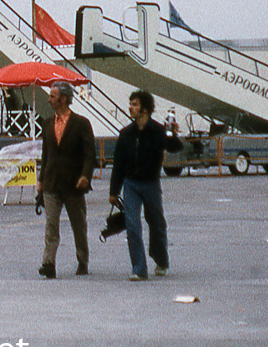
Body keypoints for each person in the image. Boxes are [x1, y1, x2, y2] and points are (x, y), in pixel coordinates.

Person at [107, 90, 182, 280]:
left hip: (151, 183)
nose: (130, 107)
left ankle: (161, 260)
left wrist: (172, 133)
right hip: (131, 183)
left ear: (145, 109)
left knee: (156, 222)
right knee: (132, 225)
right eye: (130, 103)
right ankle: (139, 269)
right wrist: (114, 191)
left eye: (135, 104)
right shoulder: (125, 134)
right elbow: (118, 164)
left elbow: (175, 148)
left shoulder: (158, 131)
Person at [36, 81, 96, 278]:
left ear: (63, 99)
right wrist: (41, 180)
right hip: (52, 182)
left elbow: (90, 155)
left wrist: (86, 176)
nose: (49, 99)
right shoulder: (46, 123)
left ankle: (82, 260)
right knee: (51, 225)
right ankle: (48, 263)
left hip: (73, 184)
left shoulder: (81, 123)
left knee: (78, 225)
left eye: (52, 96)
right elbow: (46, 154)